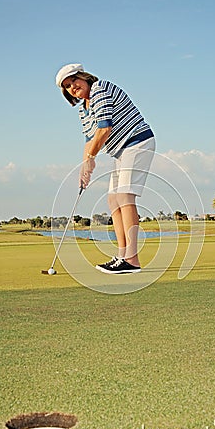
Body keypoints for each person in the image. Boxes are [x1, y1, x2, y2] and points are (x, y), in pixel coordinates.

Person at [55, 63, 155, 274]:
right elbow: (89, 139)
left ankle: (132, 260)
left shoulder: (100, 89)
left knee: (125, 196)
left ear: (84, 77)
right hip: (121, 151)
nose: (73, 87)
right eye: (67, 86)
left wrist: (92, 158)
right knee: (113, 199)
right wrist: (85, 167)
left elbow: (105, 128)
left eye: (74, 81)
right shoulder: (83, 108)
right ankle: (122, 255)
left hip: (137, 141)